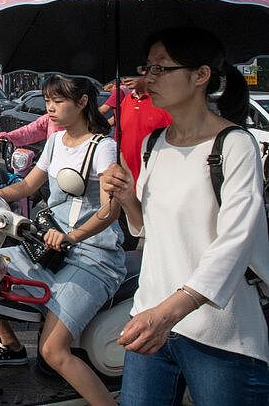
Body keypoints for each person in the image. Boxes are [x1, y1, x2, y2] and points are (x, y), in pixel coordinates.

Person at [100, 27, 269, 405]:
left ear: (200, 76)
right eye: (147, 68)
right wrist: (128, 198)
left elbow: (234, 244)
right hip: (149, 319)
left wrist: (168, 313)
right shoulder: (152, 144)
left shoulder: (235, 145)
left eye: (161, 69)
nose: (147, 79)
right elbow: (149, 230)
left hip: (219, 332)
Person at [0, 75, 124, 406]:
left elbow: (112, 210)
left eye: (58, 101)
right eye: (48, 100)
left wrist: (73, 235)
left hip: (93, 257)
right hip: (48, 247)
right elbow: (26, 186)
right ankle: (11, 346)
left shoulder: (103, 148)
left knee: (53, 351)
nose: (49, 107)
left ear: (81, 103)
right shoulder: (55, 141)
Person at [113, 75, 172, 183]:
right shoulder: (126, 101)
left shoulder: (164, 102)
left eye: (131, 72)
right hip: (127, 179)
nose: (126, 78)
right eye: (123, 75)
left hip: (155, 177)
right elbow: (118, 136)